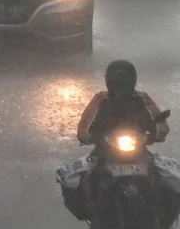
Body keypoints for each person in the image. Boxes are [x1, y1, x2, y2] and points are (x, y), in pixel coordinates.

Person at [68, 60, 169, 220]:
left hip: (138, 147)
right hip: (105, 148)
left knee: (160, 177)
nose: (120, 88)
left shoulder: (142, 98)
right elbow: (86, 120)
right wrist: (84, 134)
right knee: (87, 179)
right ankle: (92, 211)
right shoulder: (100, 99)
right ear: (109, 82)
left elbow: (157, 118)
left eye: (124, 83)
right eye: (117, 83)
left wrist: (158, 133)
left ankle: (157, 212)